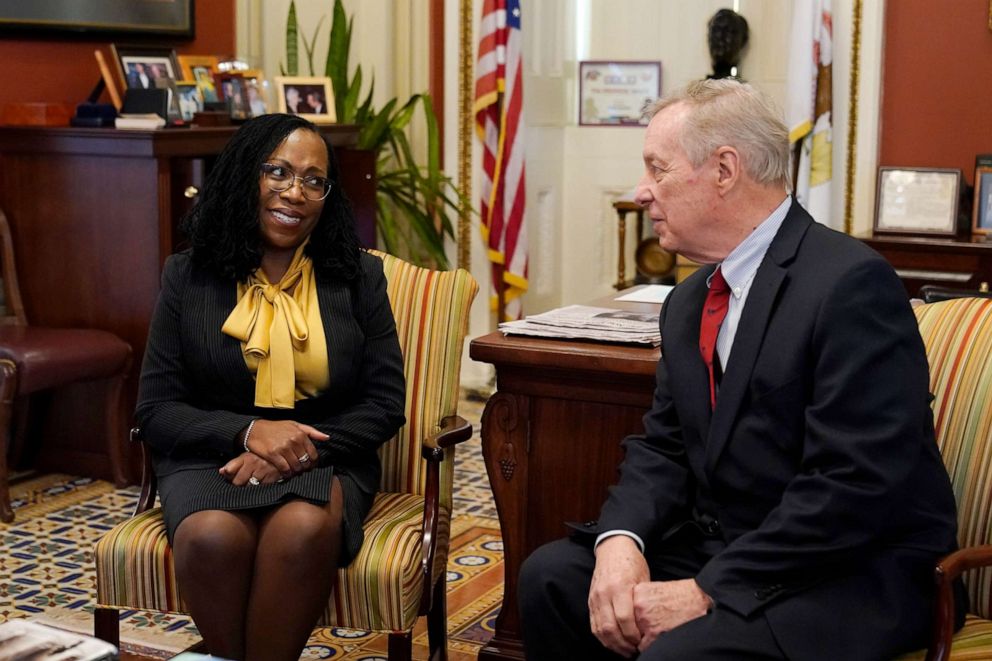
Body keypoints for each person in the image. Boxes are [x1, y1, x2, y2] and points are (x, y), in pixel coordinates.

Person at [518, 79, 965, 660]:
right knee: (552, 579)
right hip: (733, 545)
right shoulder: (689, 300)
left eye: (658, 169)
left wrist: (709, 590)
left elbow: (854, 485)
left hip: (846, 570)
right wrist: (619, 539)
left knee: (679, 654)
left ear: (725, 169)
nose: (642, 191)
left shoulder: (850, 284)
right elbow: (665, 448)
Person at [135, 113, 406, 661]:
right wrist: (249, 432)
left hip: (327, 453)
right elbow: (157, 409)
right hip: (209, 455)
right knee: (212, 536)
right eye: (277, 171)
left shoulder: (357, 276)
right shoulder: (187, 275)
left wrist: (293, 447)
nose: (295, 192)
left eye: (313, 180)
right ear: (244, 176)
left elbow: (384, 403)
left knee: (303, 527)